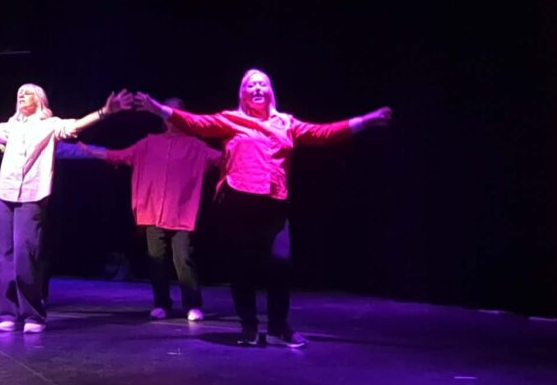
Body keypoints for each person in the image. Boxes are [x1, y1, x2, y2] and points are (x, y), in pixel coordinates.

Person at [135, 70, 391, 347]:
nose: (257, 88)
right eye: (251, 85)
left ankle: (278, 326)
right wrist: (159, 109)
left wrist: (364, 121)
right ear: (243, 93)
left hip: (274, 204)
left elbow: (323, 133)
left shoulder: (286, 123)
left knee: (280, 266)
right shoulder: (231, 119)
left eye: (262, 84)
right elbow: (196, 123)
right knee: (242, 267)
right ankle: (248, 326)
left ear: (270, 91)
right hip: (238, 203)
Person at [0, 84, 132, 333]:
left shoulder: (50, 125)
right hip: (4, 194)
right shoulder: (11, 127)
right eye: (19, 93)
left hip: (33, 195)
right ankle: (8, 313)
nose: (22, 95)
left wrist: (105, 111)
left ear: (40, 99)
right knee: (2, 255)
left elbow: (76, 126)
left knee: (25, 255)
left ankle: (33, 314)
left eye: (27, 92)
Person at [87, 98, 221, 322]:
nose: (170, 118)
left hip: (181, 212)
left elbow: (221, 159)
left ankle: (192, 304)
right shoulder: (149, 143)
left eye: (175, 113)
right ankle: (161, 303)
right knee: (156, 259)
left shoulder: (195, 146)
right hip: (152, 211)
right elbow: (120, 155)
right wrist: (89, 151)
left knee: (183, 258)